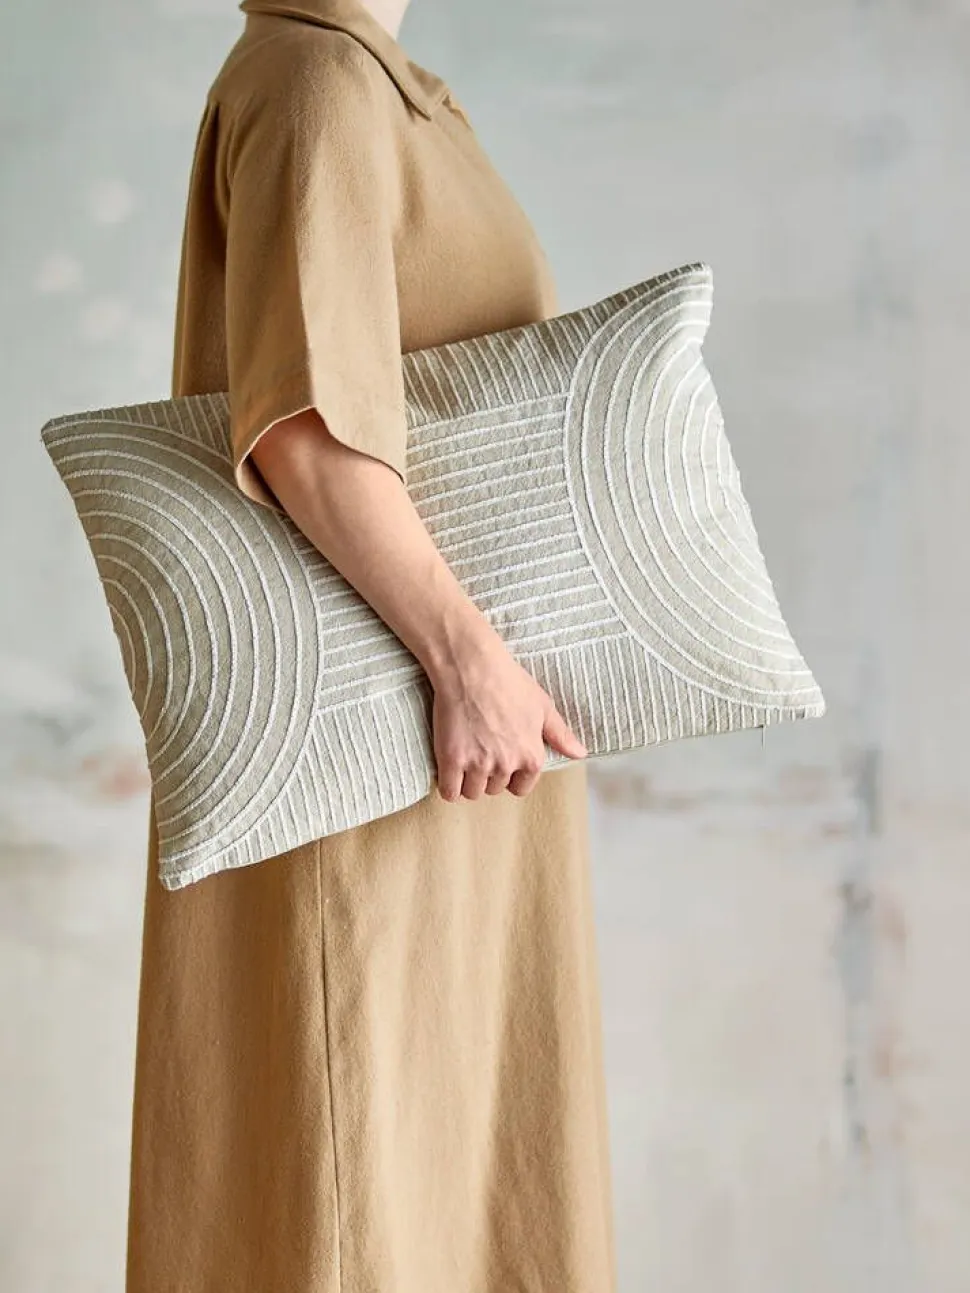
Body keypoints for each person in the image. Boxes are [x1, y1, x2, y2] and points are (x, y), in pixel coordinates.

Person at [125, 1, 617, 1289]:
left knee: (432, 1161)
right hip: (393, 736)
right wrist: (469, 664)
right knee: (363, 1169)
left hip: (439, 737)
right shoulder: (318, 83)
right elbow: (298, 424)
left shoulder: (370, 82)